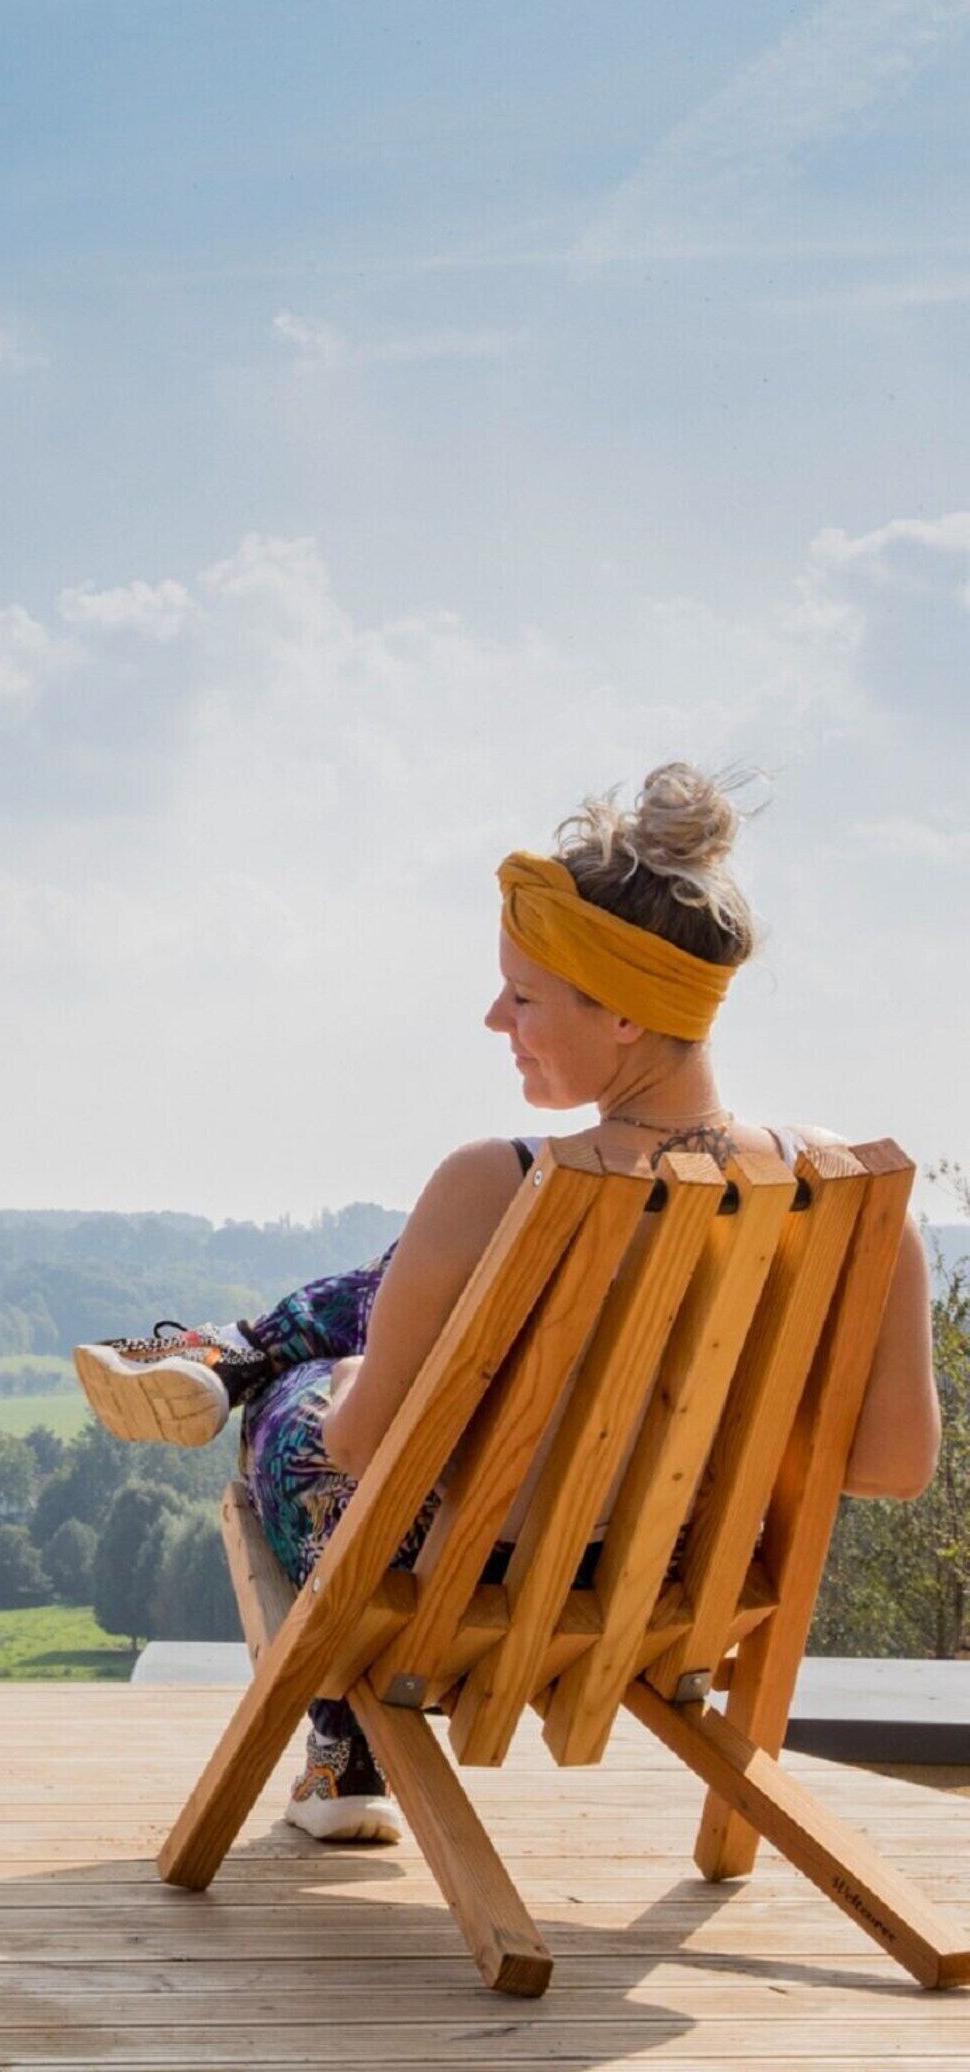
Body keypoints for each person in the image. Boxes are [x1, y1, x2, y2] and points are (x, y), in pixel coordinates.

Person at [74, 763, 939, 1842]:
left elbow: (358, 1448)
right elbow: (894, 1468)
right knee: (422, 1290)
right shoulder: (855, 1198)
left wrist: (352, 1387)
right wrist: (705, 1435)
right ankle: (233, 1353)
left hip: (461, 1582)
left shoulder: (500, 1181)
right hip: (687, 1580)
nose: (496, 1019)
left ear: (624, 1013)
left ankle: (246, 1386)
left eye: (524, 996)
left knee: (297, 1404)